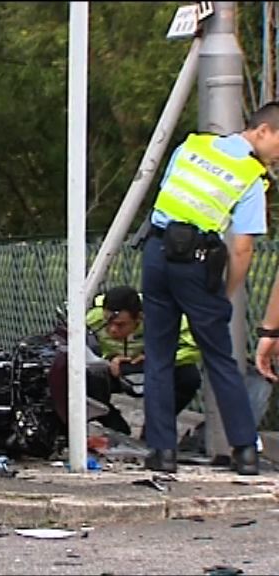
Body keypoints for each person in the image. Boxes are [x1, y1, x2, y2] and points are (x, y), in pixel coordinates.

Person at [141, 102, 279, 475]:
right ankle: (245, 451)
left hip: (156, 252)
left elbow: (164, 195)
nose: (278, 156)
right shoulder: (251, 176)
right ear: (262, 131)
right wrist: (227, 291)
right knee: (220, 358)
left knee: (158, 354)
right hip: (198, 265)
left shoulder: (192, 146)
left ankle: (161, 452)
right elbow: (242, 247)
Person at [85, 286, 202, 437]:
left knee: (188, 378)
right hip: (112, 368)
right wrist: (106, 359)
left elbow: (193, 347)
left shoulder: (163, 316)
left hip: (153, 367)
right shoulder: (92, 318)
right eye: (108, 322)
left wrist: (156, 357)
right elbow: (75, 346)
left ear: (139, 318)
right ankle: (117, 428)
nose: (113, 330)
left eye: (121, 325)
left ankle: (154, 428)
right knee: (84, 380)